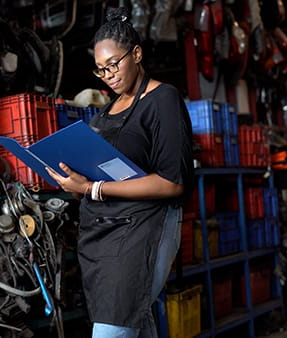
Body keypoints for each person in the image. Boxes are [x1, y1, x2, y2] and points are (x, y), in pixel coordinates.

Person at [46, 6, 194, 338]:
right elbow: (90, 179)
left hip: (144, 229)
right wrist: (72, 181)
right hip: (101, 237)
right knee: (136, 323)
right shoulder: (103, 114)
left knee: (115, 326)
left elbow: (172, 182)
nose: (109, 75)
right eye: (101, 70)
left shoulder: (163, 99)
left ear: (137, 53)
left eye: (114, 64)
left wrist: (93, 189)